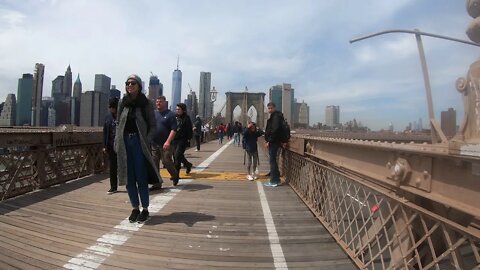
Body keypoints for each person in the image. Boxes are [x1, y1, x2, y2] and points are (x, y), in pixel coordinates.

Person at [115, 74, 161, 223]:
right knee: (129, 178)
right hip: (125, 143)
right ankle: (135, 208)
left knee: (141, 176)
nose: (129, 85)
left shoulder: (146, 103)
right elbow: (118, 124)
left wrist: (146, 140)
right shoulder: (123, 102)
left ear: (139, 85)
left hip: (139, 142)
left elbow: (153, 126)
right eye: (127, 83)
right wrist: (117, 141)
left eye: (133, 83)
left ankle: (145, 208)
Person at [150, 96, 180, 188]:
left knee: (166, 161)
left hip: (166, 144)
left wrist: (168, 141)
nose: (158, 103)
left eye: (160, 102)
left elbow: (174, 130)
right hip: (154, 143)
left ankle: (175, 176)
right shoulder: (154, 114)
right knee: (154, 163)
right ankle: (157, 183)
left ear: (165, 103)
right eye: (157, 102)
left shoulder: (170, 114)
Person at [264, 102, 284, 187]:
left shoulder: (275, 116)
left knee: (272, 161)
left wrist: (269, 140)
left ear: (274, 108)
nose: (269, 110)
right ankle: (277, 178)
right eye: (268, 108)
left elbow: (274, 130)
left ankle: (274, 180)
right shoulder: (276, 116)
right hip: (275, 141)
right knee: (273, 161)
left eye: (271, 108)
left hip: (274, 142)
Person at [103, 97, 119, 194]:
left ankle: (130, 184)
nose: (111, 109)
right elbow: (105, 132)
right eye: (110, 107)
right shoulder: (107, 117)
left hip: (122, 146)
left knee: (125, 166)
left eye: (113, 107)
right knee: (112, 167)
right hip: (111, 145)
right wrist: (104, 146)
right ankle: (113, 187)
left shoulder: (122, 116)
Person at [173, 103, 193, 175]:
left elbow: (189, 129)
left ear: (183, 110)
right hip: (174, 139)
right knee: (176, 156)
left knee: (177, 156)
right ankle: (188, 164)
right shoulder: (174, 117)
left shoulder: (186, 118)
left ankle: (176, 175)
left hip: (183, 140)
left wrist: (189, 139)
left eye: (179, 109)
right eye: (176, 109)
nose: (177, 111)